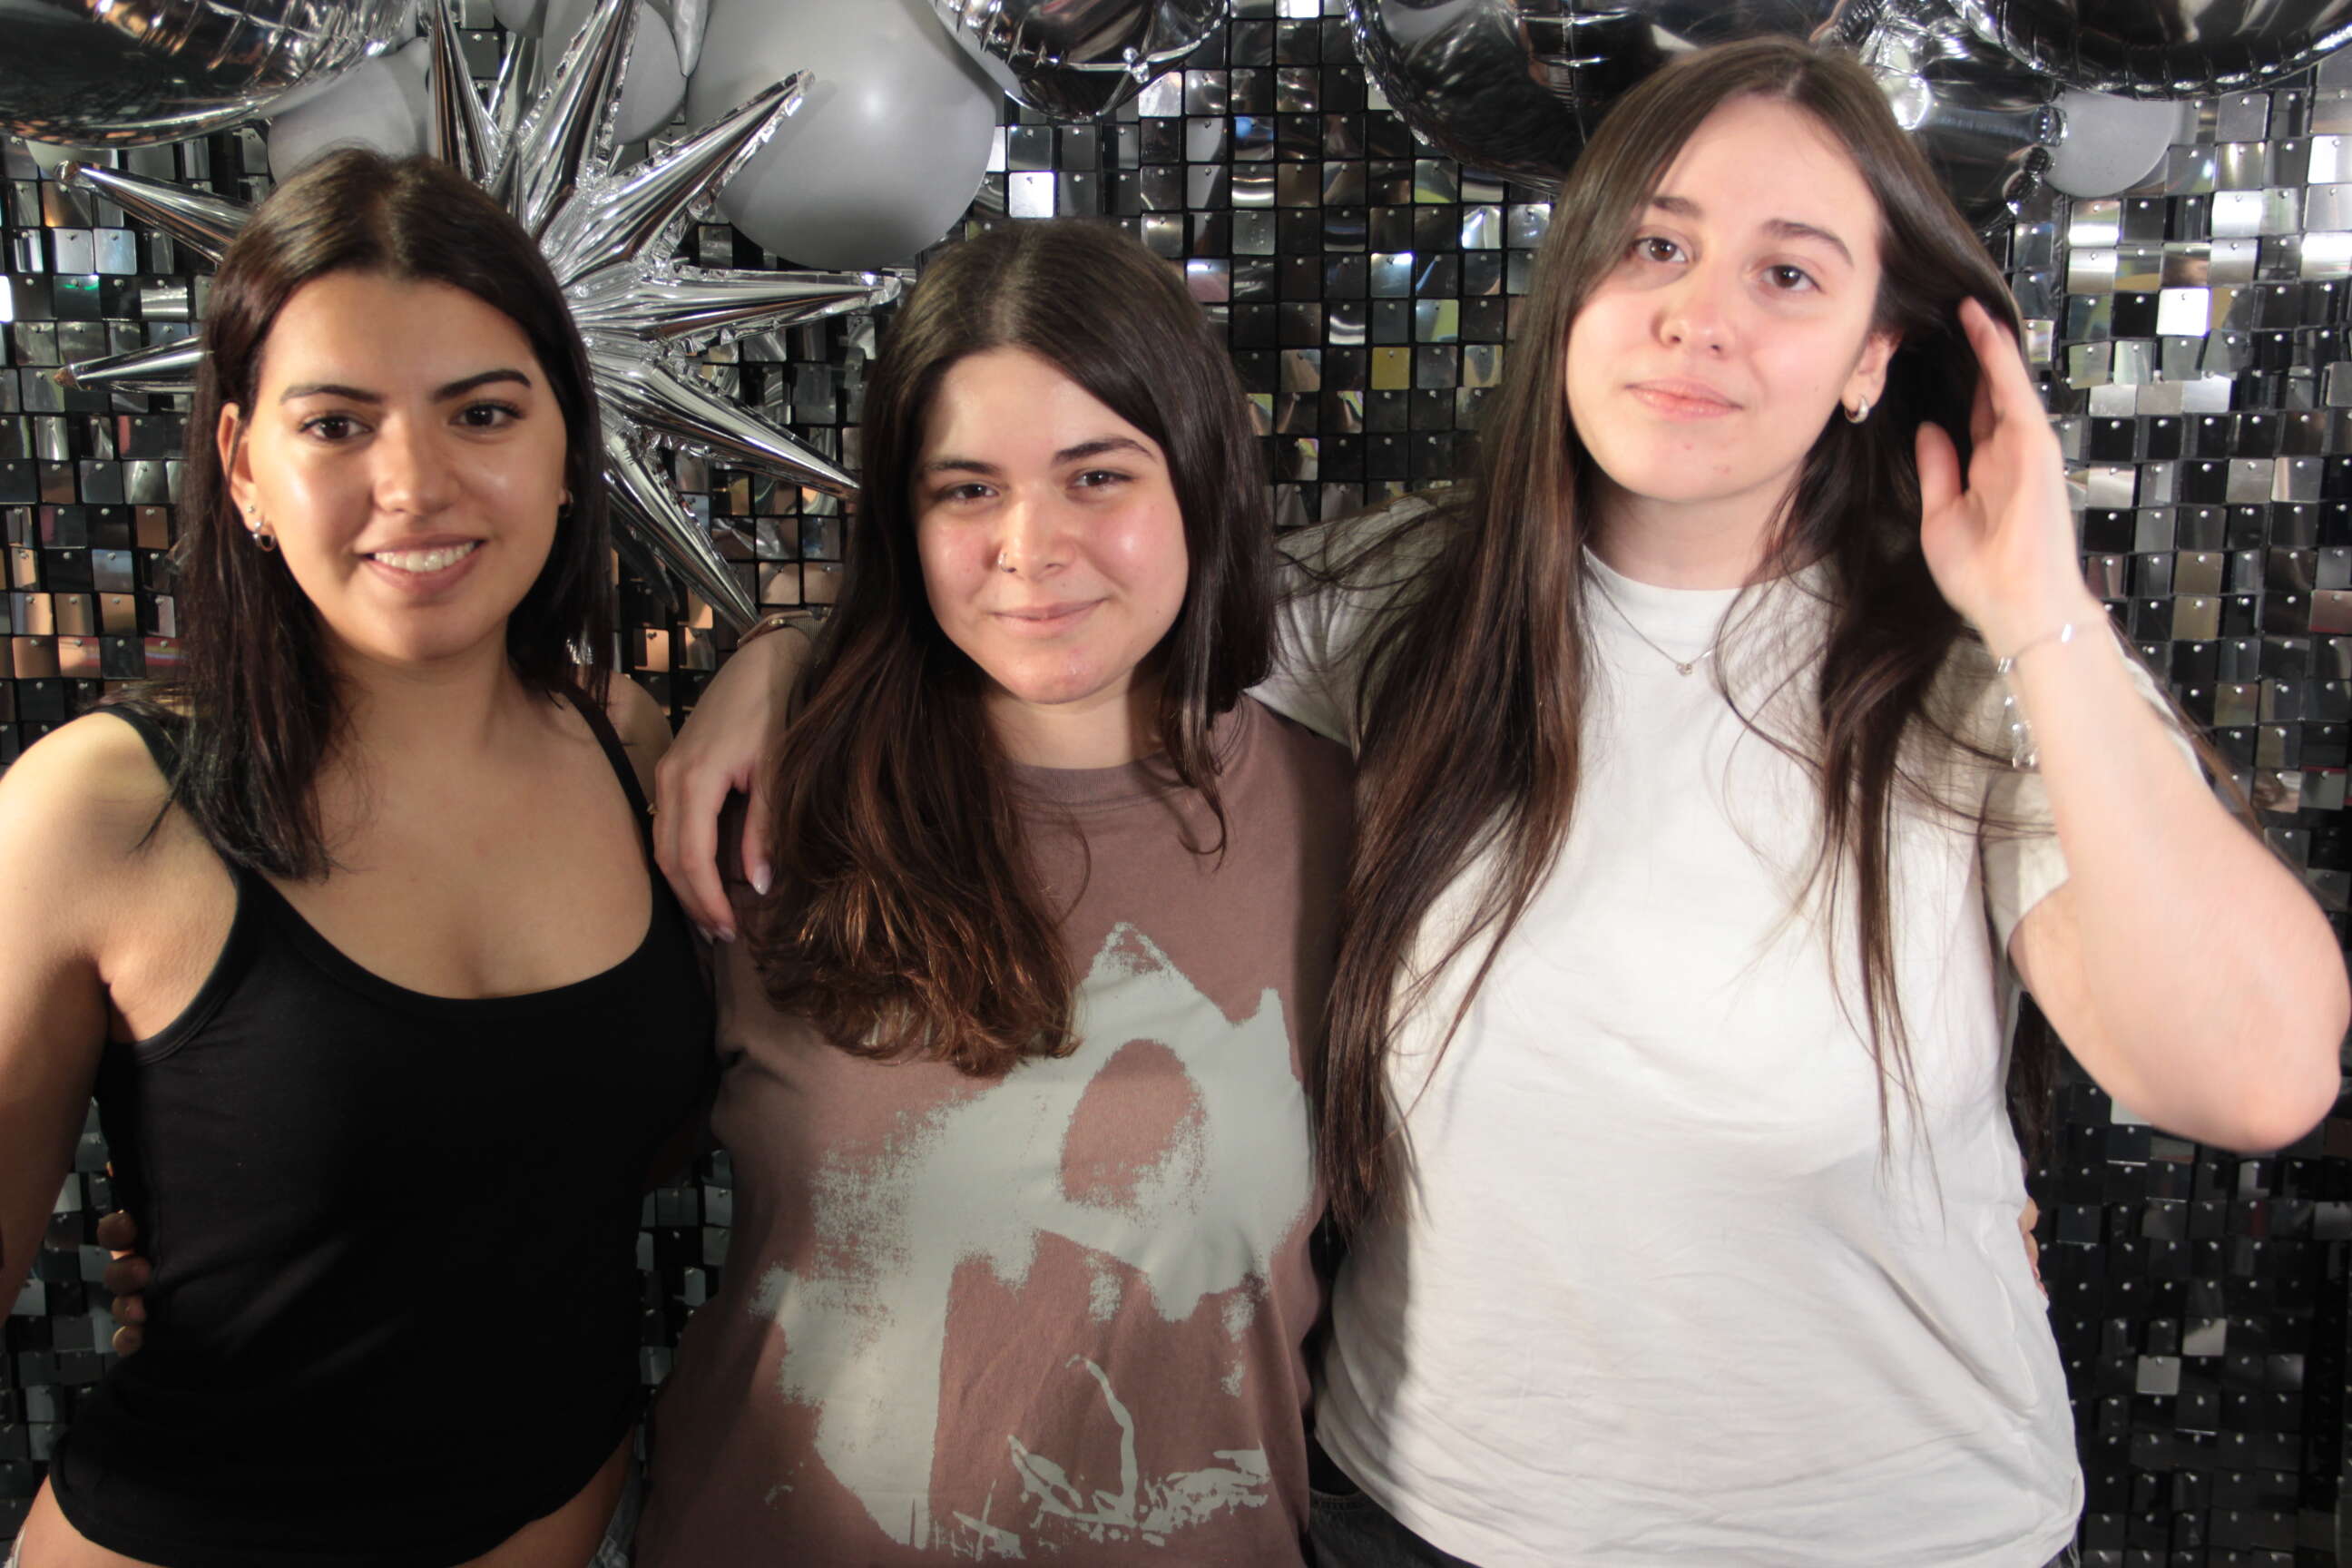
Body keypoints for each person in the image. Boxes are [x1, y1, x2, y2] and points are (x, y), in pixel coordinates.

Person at [652, 36, 2347, 1568]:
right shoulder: (1390, 614)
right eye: (1656, 247)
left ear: (1867, 357)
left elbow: (2255, 1076)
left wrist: (2043, 607)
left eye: (1787, 273)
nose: (1697, 316)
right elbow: (1072, 599)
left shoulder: (1985, 679)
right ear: (1572, 283)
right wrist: (793, 662)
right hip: (1425, 1519)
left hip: (1892, 1530)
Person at [0, 150, 709, 1568]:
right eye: (336, 424)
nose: (416, 484)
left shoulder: (627, 746)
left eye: (483, 412)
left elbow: (571, 1160)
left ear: (565, 448)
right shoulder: (102, 808)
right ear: (242, 466)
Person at [627, 219, 1350, 1564]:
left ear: (1200, 478)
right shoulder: (764, 811)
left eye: (1096, 475)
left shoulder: (1344, 821)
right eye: (967, 490)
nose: (1029, 546)